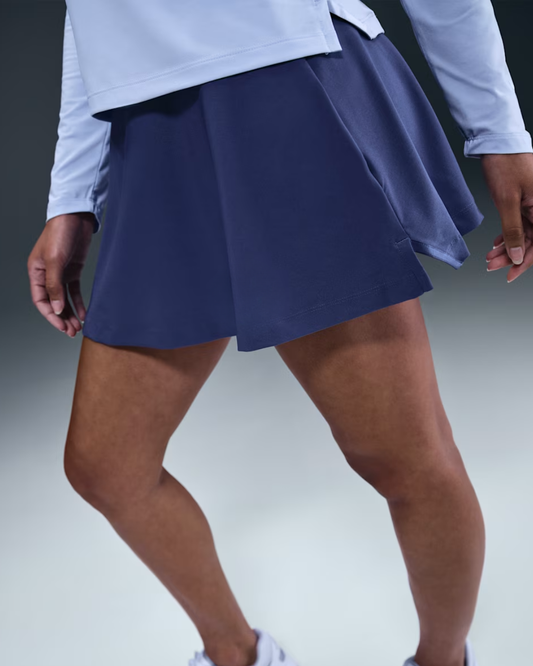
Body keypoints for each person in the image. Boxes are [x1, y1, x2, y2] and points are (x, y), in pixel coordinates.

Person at [27, 2, 533, 666]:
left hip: (284, 81)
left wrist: (499, 131)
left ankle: (444, 660)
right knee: (106, 465)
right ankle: (241, 656)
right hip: (153, 126)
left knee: (402, 456)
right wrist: (72, 195)